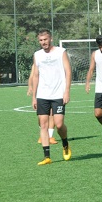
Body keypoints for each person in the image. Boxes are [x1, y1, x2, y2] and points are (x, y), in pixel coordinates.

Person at [31, 29, 72, 165]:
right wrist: (34, 96)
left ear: (51, 39)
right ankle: (47, 156)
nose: (43, 42)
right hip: (43, 95)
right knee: (43, 125)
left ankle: (65, 144)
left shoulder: (61, 52)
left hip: (58, 94)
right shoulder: (37, 55)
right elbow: (36, 75)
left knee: (59, 124)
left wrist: (67, 91)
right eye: (41, 40)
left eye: (45, 40)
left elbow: (68, 71)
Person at [27, 65, 57, 145]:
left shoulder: (54, 61)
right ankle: (42, 135)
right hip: (41, 93)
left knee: (52, 113)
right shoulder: (37, 63)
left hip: (52, 91)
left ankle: (50, 136)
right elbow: (32, 76)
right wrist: (30, 86)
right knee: (41, 116)